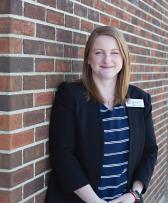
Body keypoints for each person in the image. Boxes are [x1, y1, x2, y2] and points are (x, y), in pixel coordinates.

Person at [45, 26, 158, 203]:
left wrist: (135, 194)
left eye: (114, 52)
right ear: (88, 59)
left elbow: (149, 151)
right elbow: (63, 154)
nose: (107, 59)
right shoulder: (70, 95)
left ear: (123, 58)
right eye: (99, 52)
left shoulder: (140, 99)